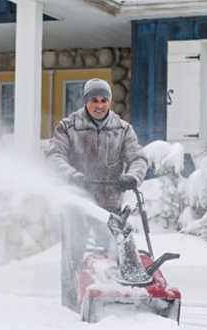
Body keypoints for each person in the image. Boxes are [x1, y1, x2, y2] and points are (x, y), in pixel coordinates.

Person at [46, 78, 149, 310]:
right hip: (78, 203)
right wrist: (74, 177)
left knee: (114, 253)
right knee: (74, 253)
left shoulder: (122, 130)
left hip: (109, 204)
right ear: (86, 101)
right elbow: (54, 156)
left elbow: (138, 158)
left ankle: (113, 301)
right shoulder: (68, 127)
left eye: (104, 100)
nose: (100, 105)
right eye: (95, 100)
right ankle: (72, 303)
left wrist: (132, 177)